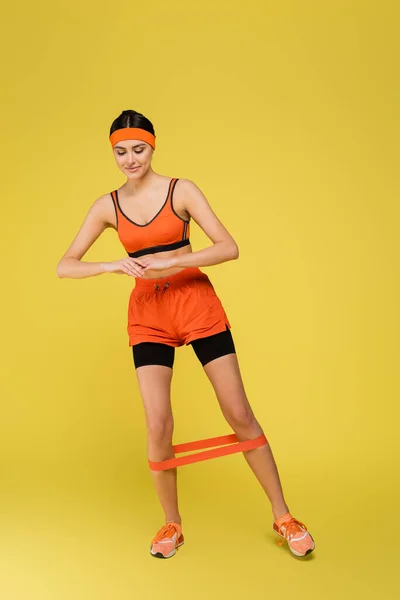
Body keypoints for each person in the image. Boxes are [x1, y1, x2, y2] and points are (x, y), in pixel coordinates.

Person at [56, 109, 315, 560]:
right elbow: (65, 265)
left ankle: (283, 515)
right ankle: (172, 524)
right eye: (120, 152)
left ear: (153, 146)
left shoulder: (181, 190)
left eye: (138, 149)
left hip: (195, 301)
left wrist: (171, 261)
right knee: (158, 423)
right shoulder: (108, 206)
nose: (130, 159)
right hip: (149, 313)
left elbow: (228, 247)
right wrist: (112, 264)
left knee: (238, 412)